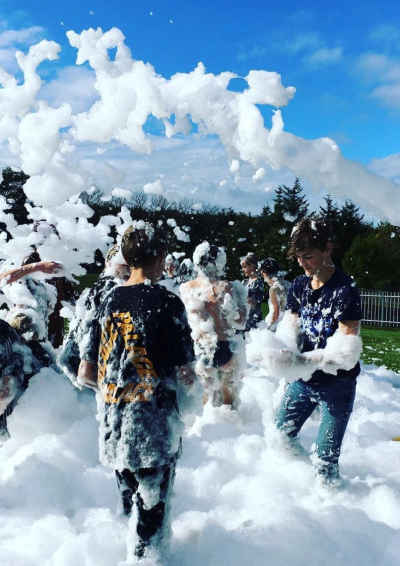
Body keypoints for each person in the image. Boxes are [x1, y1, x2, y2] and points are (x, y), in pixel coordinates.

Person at [77, 221, 196, 565]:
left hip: (113, 424)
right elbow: (185, 373)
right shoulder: (167, 302)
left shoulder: (107, 298)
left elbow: (86, 371)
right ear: (160, 256)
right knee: (152, 515)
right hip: (153, 427)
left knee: (130, 506)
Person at [273, 216, 362, 487]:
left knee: (325, 461)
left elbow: (347, 350)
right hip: (303, 380)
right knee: (279, 436)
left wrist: (304, 360)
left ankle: (332, 507)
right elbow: (291, 326)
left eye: (308, 256)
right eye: (298, 257)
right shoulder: (300, 285)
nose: (302, 263)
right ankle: (297, 485)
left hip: (337, 383)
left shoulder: (345, 290)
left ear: (328, 249)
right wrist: (282, 350)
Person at [180, 242, 248, 407]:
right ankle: (234, 431)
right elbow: (240, 322)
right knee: (228, 402)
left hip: (200, 350)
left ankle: (209, 430)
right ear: (218, 263)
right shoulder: (224, 286)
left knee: (205, 402)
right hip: (225, 346)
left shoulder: (185, 288)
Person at [60, 243, 129, 385]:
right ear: (110, 263)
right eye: (125, 266)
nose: (130, 271)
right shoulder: (110, 288)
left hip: (73, 359)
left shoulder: (99, 287)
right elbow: (92, 328)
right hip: (88, 367)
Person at [258, 257, 291, 331]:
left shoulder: (274, 289)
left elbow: (276, 313)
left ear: (265, 272)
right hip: (289, 322)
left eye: (263, 275)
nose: (264, 280)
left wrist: (268, 328)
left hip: (279, 325)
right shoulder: (288, 284)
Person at [240, 252, 264, 332]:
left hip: (253, 318)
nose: (243, 270)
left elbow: (255, 303)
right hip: (243, 317)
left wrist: (242, 299)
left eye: (245, 267)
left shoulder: (258, 282)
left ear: (252, 266)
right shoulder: (245, 282)